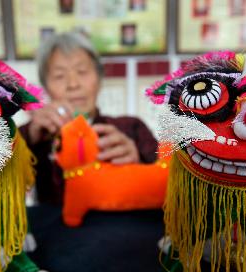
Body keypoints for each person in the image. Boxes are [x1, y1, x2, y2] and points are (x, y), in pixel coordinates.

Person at [19, 32, 158, 205]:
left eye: (82, 71)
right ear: (45, 87)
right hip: (56, 231)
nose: (73, 84)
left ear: (99, 79)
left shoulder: (131, 128)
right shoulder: (37, 135)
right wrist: (30, 135)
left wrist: (138, 165)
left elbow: (168, 185)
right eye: (59, 76)